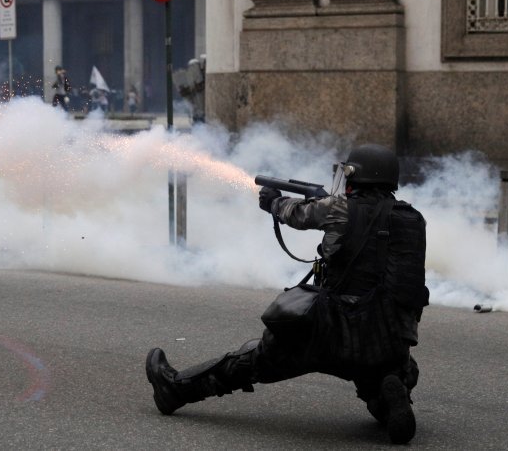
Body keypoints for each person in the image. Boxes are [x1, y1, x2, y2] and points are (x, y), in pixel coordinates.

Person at [145, 144, 429, 445]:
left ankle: (173, 390)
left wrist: (274, 202)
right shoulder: (413, 220)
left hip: (333, 333)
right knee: (385, 374)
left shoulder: (338, 208)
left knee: (252, 360)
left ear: (352, 177)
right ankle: (389, 400)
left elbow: (296, 214)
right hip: (389, 342)